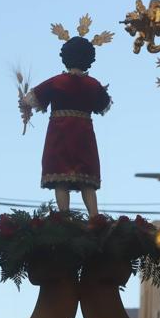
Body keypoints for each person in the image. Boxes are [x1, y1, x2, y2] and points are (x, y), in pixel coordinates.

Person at [21, 35, 111, 216]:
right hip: (84, 134)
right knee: (87, 181)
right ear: (89, 59)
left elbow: (30, 100)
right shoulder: (93, 84)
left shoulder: (56, 82)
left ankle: (64, 217)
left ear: (65, 57)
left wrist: (24, 103)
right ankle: (95, 217)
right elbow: (103, 105)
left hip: (60, 133)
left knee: (60, 177)